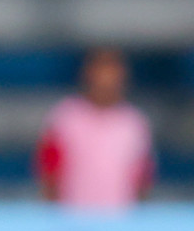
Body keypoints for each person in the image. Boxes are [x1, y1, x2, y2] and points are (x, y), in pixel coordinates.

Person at [35, 47, 155, 209]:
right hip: (73, 218)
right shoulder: (65, 117)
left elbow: (142, 180)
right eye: (101, 72)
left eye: (112, 73)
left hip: (120, 219)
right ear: (88, 74)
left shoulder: (133, 123)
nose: (105, 80)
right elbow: (49, 173)